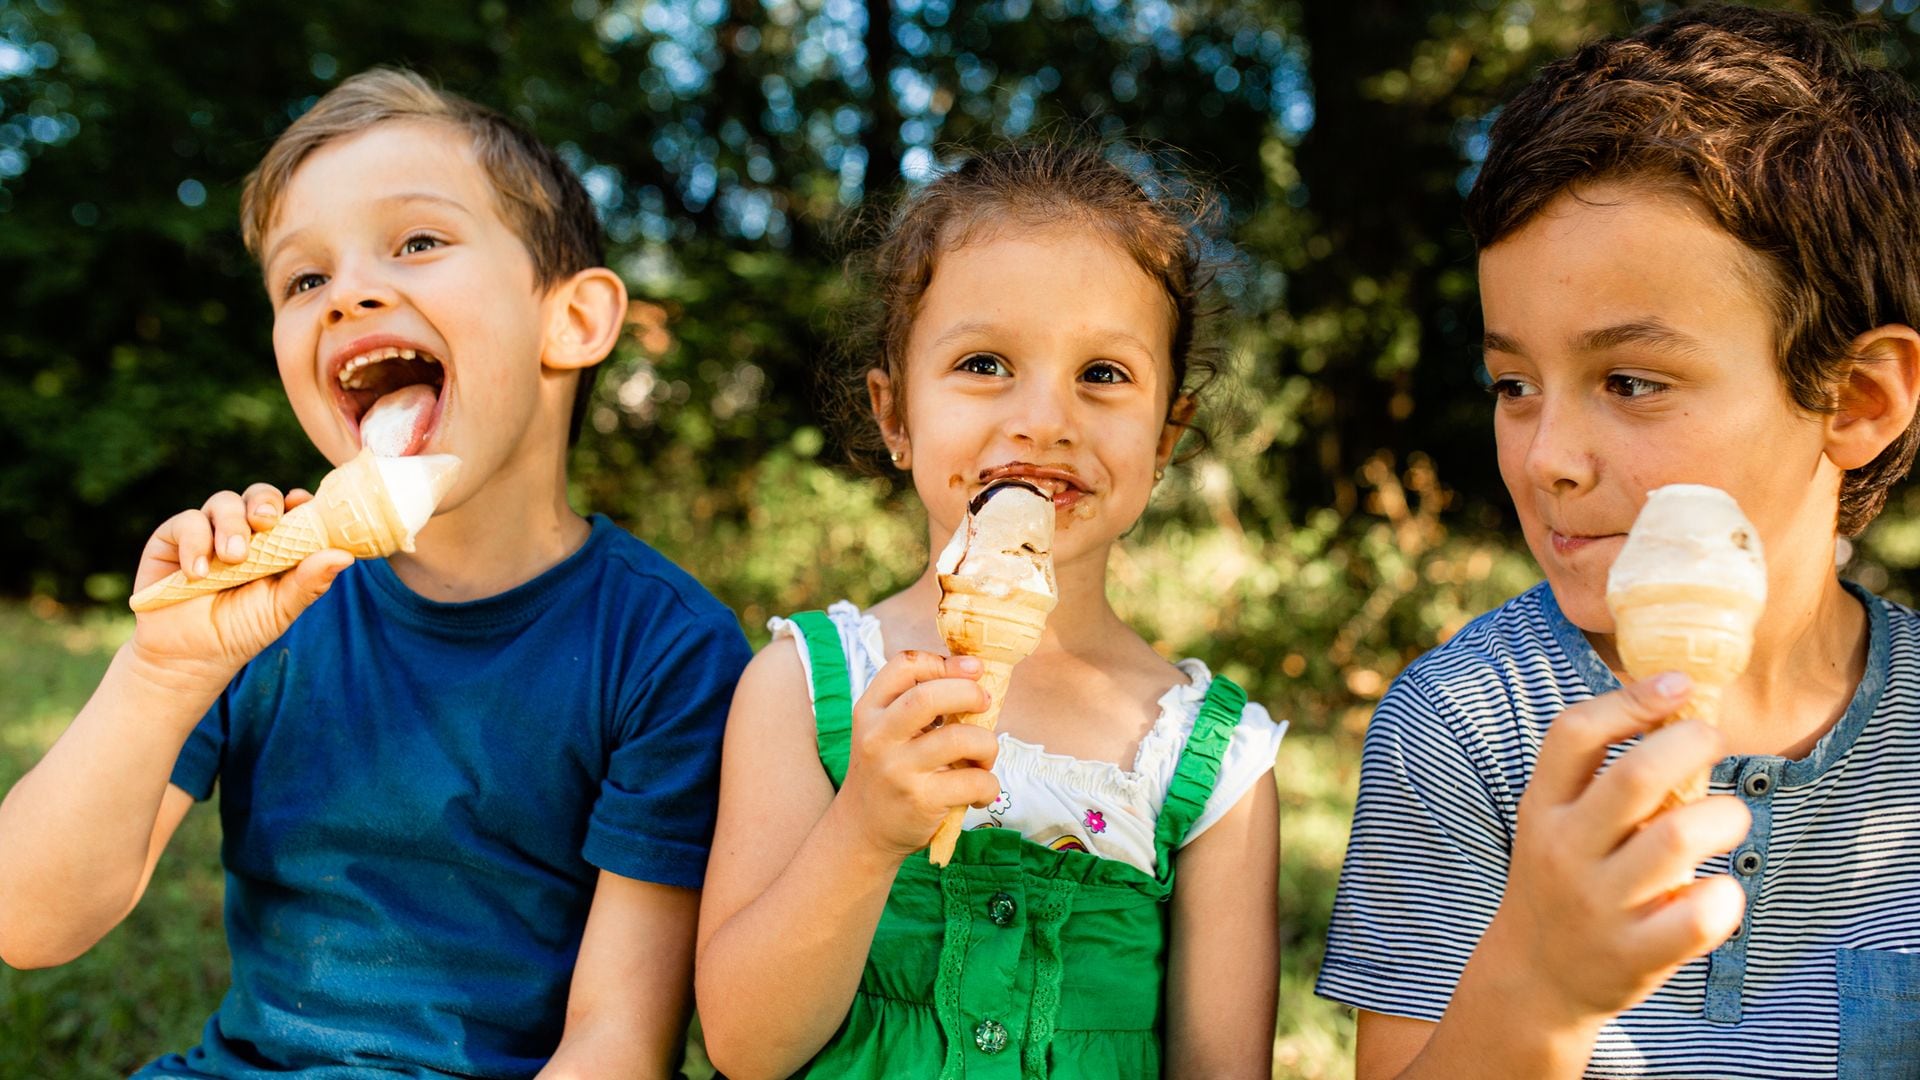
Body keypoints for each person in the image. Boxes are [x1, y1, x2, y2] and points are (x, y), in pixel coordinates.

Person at [0, 68, 751, 1078]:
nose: (348, 291)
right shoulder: (267, 609)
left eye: (419, 242)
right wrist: (163, 671)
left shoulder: (667, 647)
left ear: (572, 322)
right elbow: (27, 922)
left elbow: (616, 1044)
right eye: (302, 279)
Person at [1317, 6, 1920, 1078]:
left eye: (1632, 382)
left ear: (1861, 399)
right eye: (1513, 386)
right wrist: (1539, 989)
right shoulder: (1464, 731)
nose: (1547, 456)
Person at [693, 142, 1286, 1077]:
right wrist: (865, 833)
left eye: (1103, 374)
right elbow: (743, 1044)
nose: (1045, 417)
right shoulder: (807, 689)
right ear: (895, 417)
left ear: (1168, 433)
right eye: (983, 362)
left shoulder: (1209, 765)